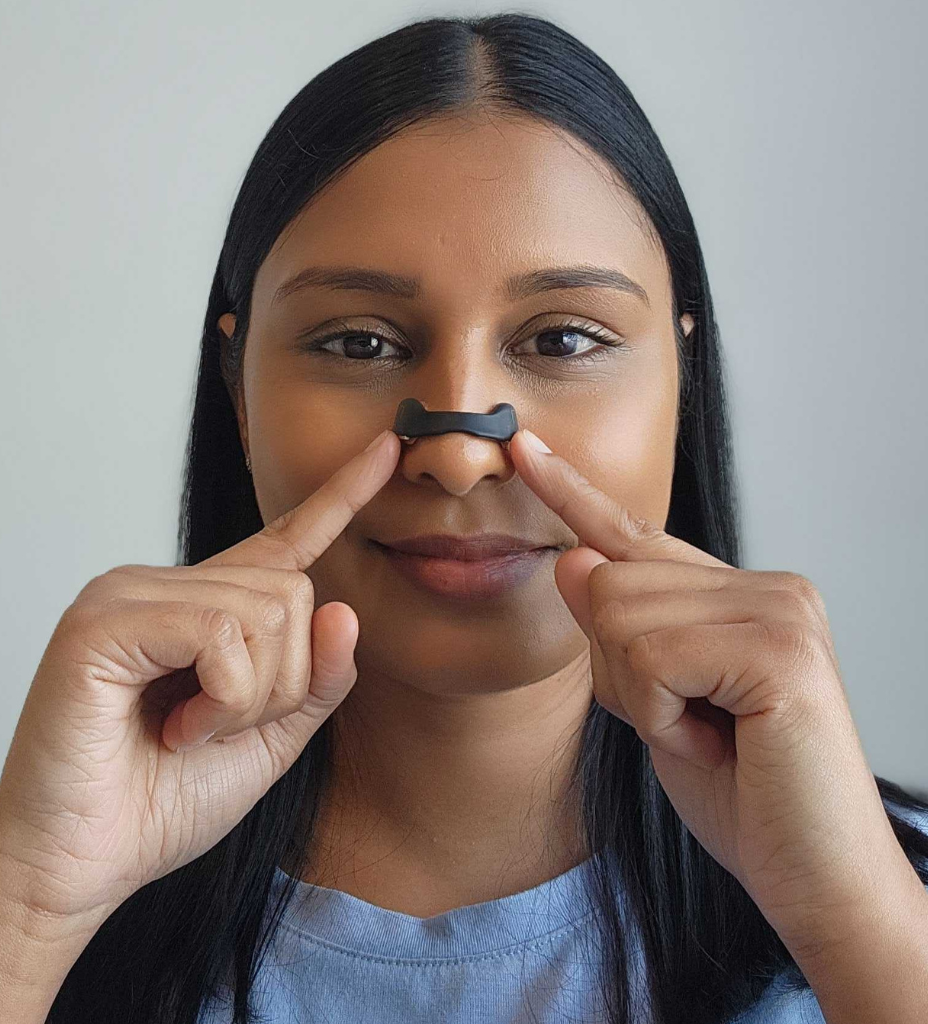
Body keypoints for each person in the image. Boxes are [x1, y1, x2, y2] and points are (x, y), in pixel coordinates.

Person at [1, 12, 926, 1024]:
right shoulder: (51, 903)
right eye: (358, 343)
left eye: (564, 338)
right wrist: (32, 899)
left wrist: (851, 920)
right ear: (239, 385)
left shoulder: (875, 916)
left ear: (682, 373)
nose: (453, 454)